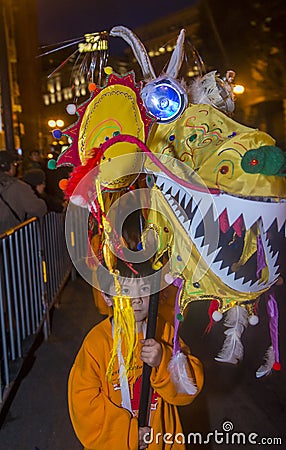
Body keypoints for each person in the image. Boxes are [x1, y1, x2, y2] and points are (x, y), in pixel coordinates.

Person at [68, 259, 204, 450]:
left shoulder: (164, 332)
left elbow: (191, 387)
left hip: (160, 441)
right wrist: (128, 435)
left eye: (144, 289)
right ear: (107, 297)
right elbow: (83, 406)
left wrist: (163, 361)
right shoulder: (96, 343)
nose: (137, 299)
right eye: (125, 291)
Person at [0, 151, 47, 234]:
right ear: (8, 167)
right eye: (14, 164)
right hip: (12, 239)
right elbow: (38, 209)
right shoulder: (17, 186)